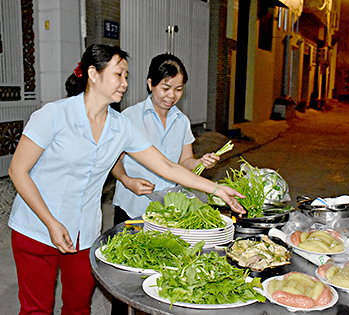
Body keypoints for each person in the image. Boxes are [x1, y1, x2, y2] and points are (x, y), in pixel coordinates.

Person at [7, 44, 245, 315]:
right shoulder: (54, 115)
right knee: (36, 309)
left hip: (82, 230)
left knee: (78, 306)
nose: (125, 83)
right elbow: (18, 170)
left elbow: (167, 166)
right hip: (36, 226)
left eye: (126, 76)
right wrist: (50, 222)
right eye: (119, 75)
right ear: (93, 74)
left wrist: (216, 189)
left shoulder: (120, 126)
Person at [111, 53, 220, 224]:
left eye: (178, 89)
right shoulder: (130, 117)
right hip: (133, 207)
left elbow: (185, 161)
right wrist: (127, 180)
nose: (171, 96)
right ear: (150, 84)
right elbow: (114, 160)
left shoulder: (182, 121)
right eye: (165, 88)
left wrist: (201, 163)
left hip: (167, 210)